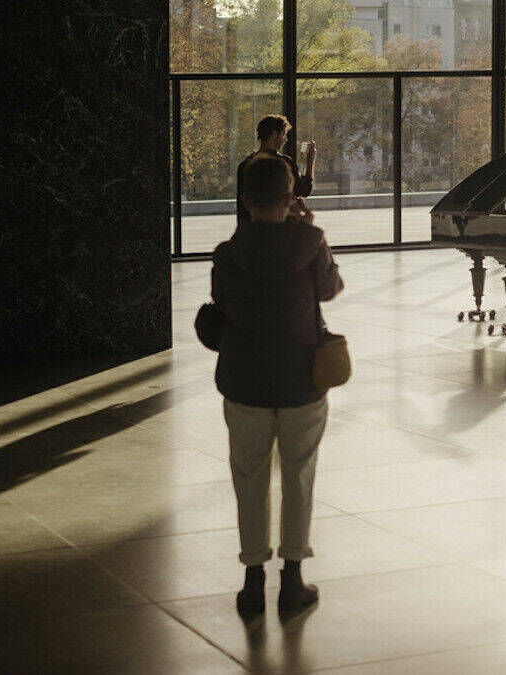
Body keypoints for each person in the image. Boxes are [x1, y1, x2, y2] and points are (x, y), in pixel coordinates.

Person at [213, 154, 344, 615]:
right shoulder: (310, 240)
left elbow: (220, 309)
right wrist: (305, 231)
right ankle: (292, 581)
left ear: (245, 201)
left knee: (248, 478)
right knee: (299, 474)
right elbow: (329, 290)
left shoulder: (227, 255)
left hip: (244, 384)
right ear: (292, 199)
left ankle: (252, 583)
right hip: (301, 381)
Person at [237, 114, 315, 227]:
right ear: (274, 134)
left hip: (253, 230)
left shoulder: (244, 165)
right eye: (284, 134)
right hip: (282, 230)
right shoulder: (284, 163)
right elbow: (304, 190)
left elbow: (242, 206)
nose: (286, 139)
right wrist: (310, 160)